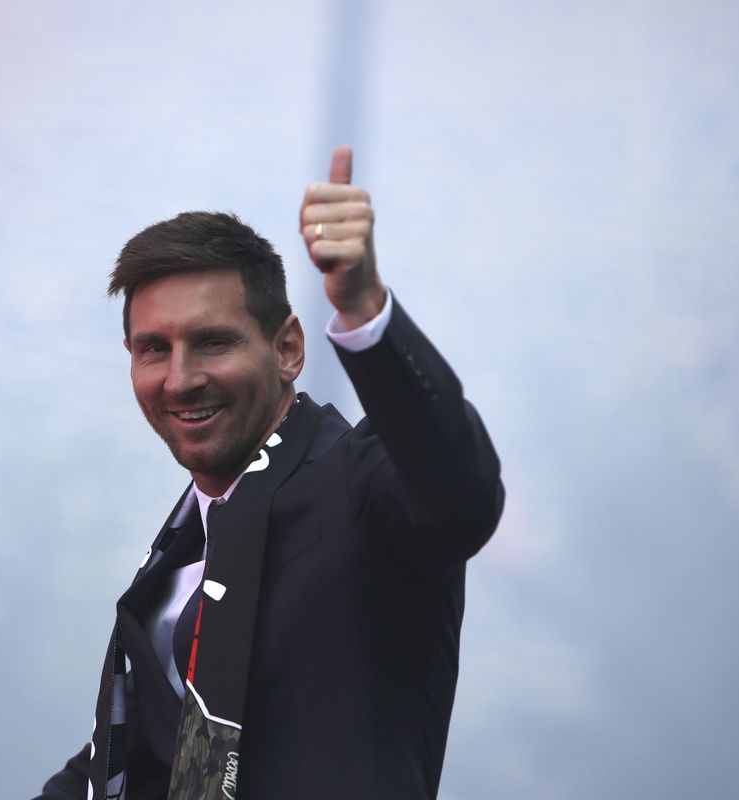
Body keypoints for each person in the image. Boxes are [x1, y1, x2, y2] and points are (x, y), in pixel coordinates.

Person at [36, 146, 504, 800]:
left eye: (212, 342)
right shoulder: (177, 560)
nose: (180, 377)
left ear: (288, 348)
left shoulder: (357, 481)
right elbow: (122, 769)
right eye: (154, 350)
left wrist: (365, 305)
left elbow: (462, 496)